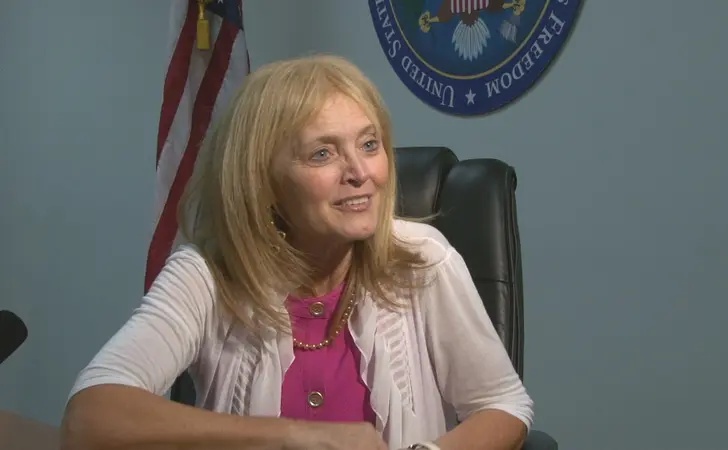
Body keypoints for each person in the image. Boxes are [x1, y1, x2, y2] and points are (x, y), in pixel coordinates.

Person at [60, 54, 533, 450]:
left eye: (369, 145)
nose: (360, 172)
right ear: (263, 181)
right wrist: (295, 435)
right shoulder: (207, 273)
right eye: (323, 154)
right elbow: (90, 417)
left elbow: (502, 404)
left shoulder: (422, 259)